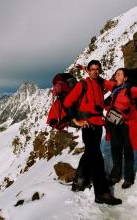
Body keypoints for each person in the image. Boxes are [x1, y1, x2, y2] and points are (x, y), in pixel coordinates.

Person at [64, 60, 122, 205]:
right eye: (92, 69)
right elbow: (67, 103)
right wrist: (76, 121)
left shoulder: (100, 83)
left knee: (91, 155)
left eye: (97, 69)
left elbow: (114, 85)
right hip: (88, 126)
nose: (95, 71)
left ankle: (79, 182)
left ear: (100, 71)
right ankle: (102, 193)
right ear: (88, 71)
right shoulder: (82, 84)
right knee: (97, 159)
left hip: (98, 126)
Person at [106, 68, 137, 188]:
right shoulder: (114, 90)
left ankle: (128, 178)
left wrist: (128, 111)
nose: (116, 76)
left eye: (119, 74)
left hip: (127, 125)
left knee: (128, 151)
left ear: (125, 78)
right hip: (113, 125)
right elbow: (102, 82)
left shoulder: (131, 89)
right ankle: (115, 175)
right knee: (116, 150)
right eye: (115, 74)